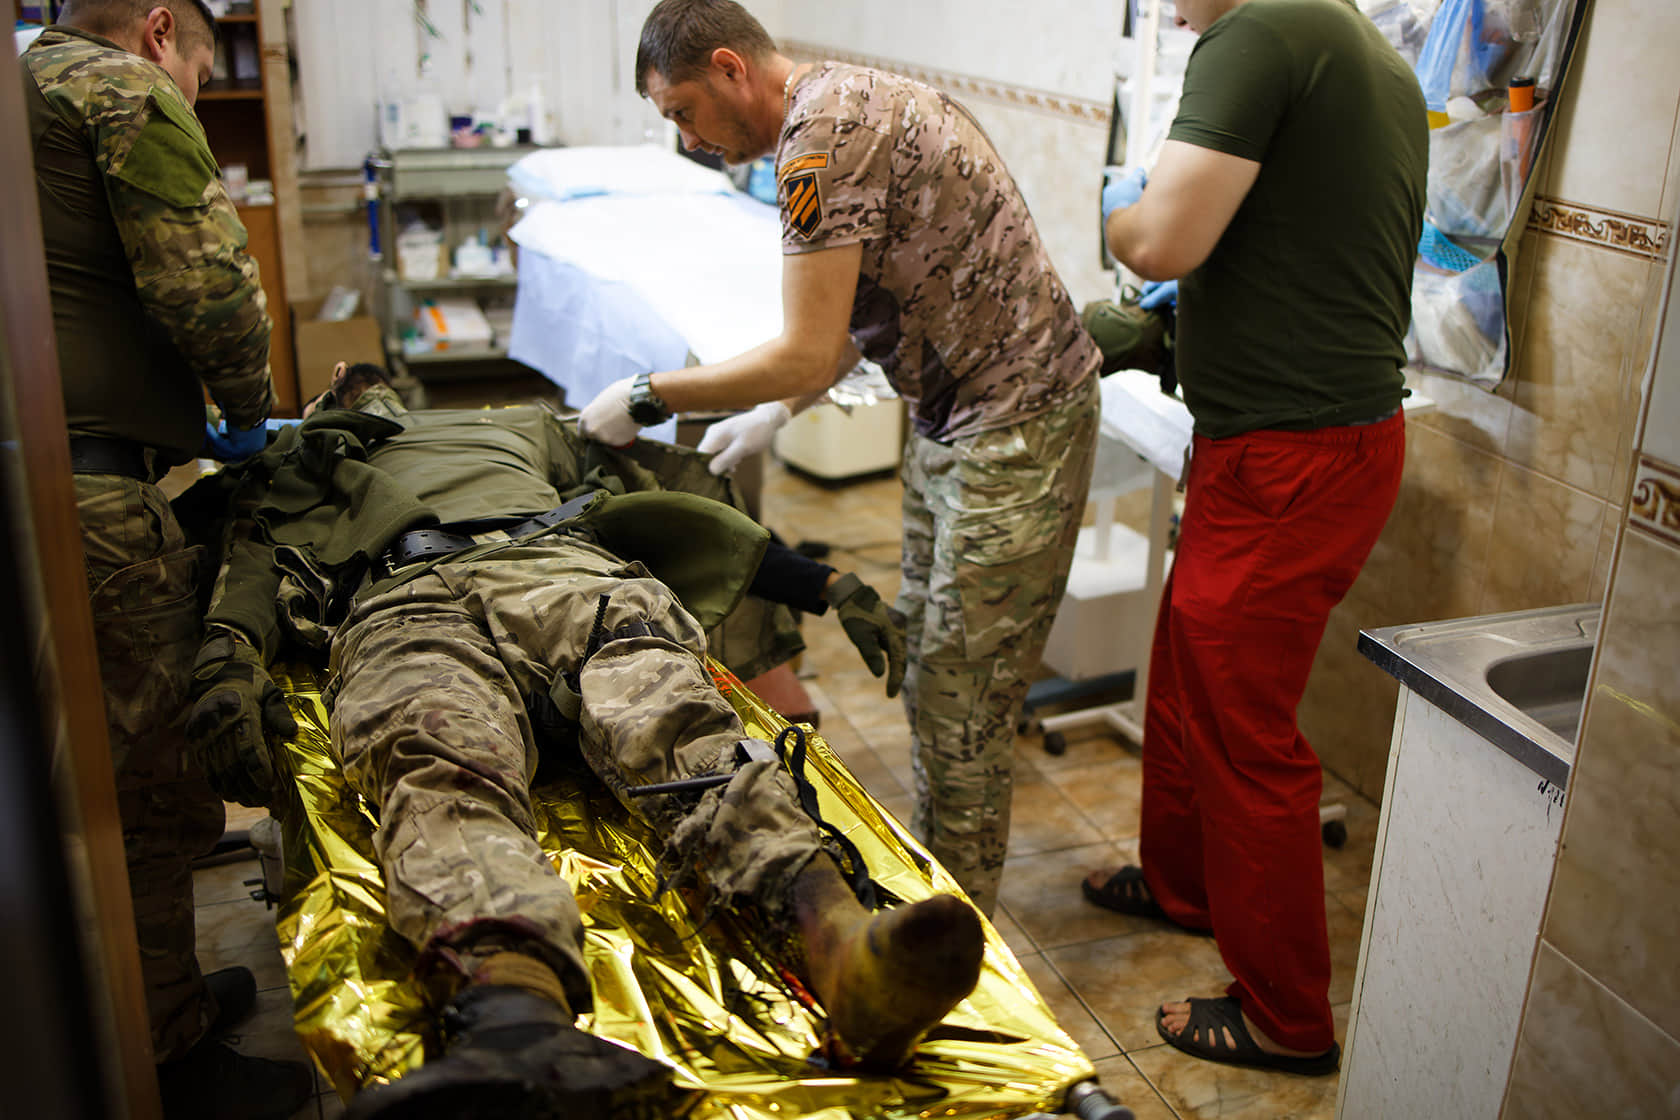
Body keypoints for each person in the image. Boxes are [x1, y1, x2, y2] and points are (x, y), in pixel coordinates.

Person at [183, 364, 983, 1116]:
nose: (349, 379)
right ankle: (514, 1016)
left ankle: (841, 944)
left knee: (674, 715)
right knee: (434, 752)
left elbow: (657, 498)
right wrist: (228, 659)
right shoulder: (293, 457)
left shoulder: (521, 426)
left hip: (562, 568)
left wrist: (824, 583)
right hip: (402, 602)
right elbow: (247, 564)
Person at [577, 0, 1101, 917]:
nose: (690, 140)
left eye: (685, 113)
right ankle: (942, 890)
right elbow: (873, 304)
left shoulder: (821, 140)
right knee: (931, 667)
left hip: (1017, 425)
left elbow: (807, 347)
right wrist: (778, 410)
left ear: (732, 67)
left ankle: (955, 942)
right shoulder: (845, 100)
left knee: (961, 702)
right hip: (957, 419)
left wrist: (650, 394)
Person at [1082, 0, 1427, 1078]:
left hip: (1293, 455)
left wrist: (1121, 208)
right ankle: (1184, 885)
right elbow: (1296, 246)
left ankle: (1286, 1013)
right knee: (1189, 672)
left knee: (1242, 724)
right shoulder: (1361, 47)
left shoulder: (1260, 32)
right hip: (1285, 443)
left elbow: (1160, 238)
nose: (1167, 9)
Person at [22, 2, 312, 1114]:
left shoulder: (21, 88)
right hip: (94, 493)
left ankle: (157, 998)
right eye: (198, 71)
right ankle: (170, 1055)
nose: (190, 91)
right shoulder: (120, 87)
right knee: (147, 782)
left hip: (36, 474)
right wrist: (243, 406)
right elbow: (207, 285)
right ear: (158, 32)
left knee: (84, 771)